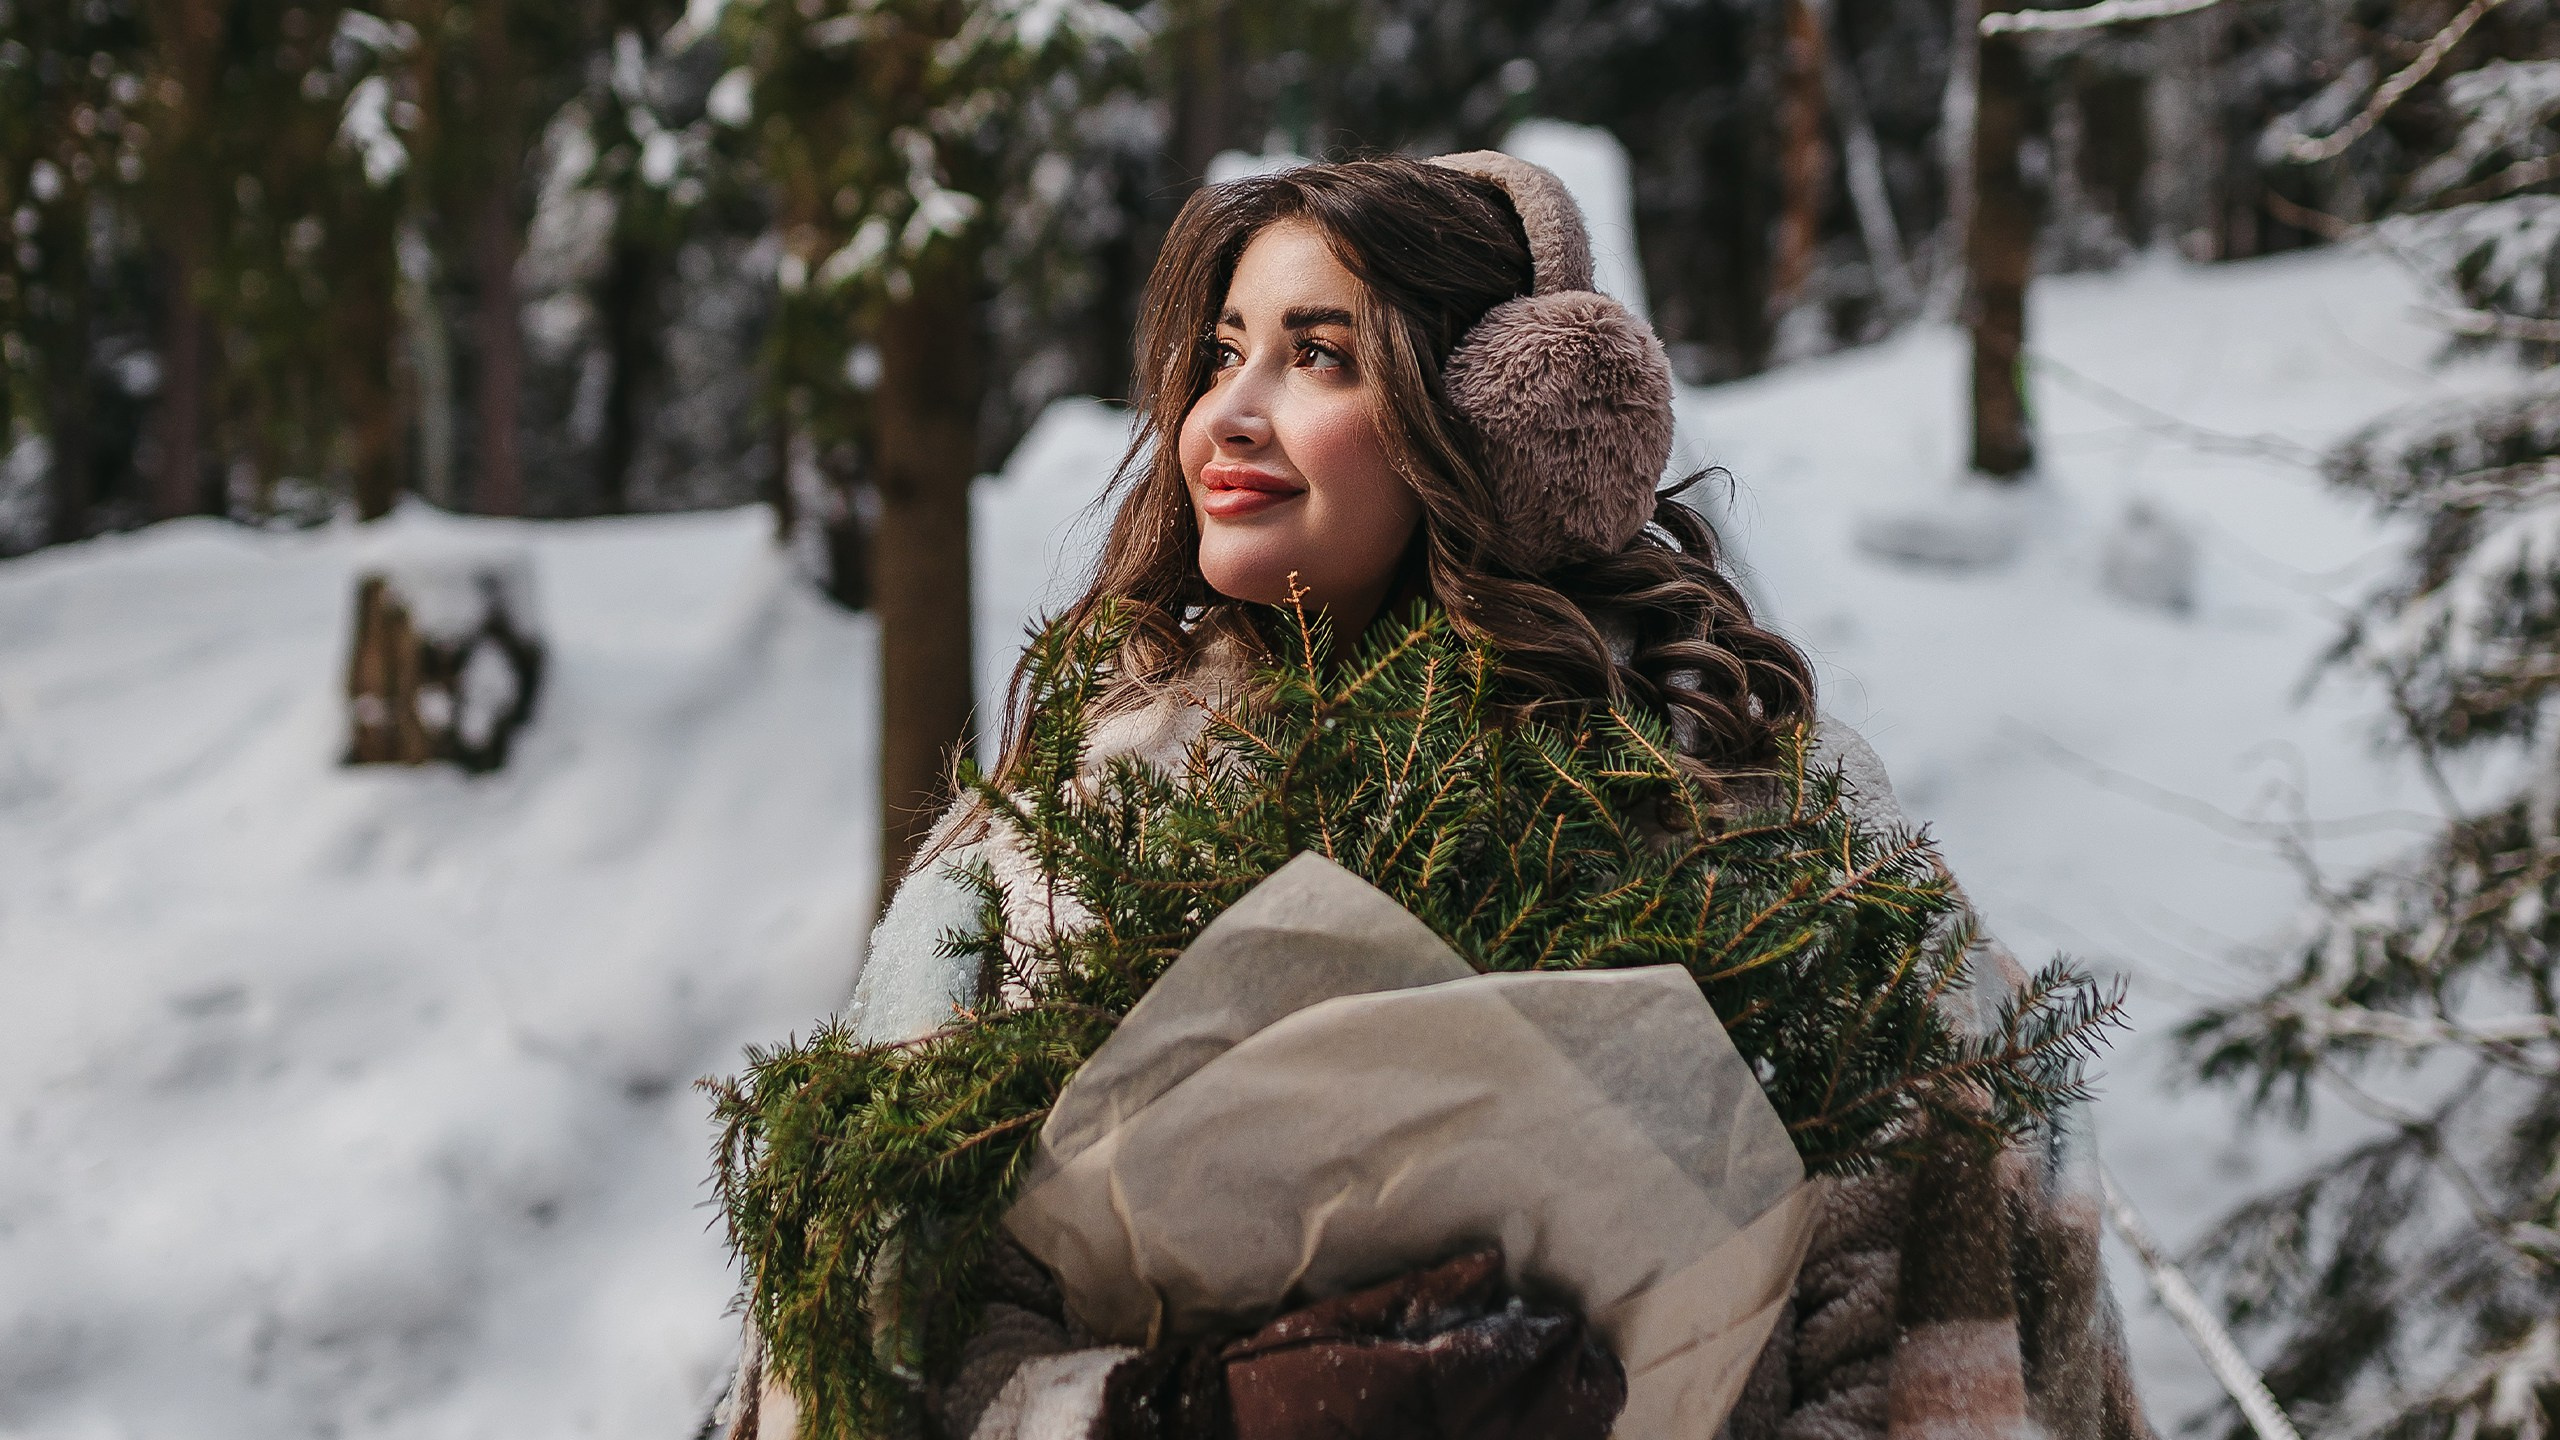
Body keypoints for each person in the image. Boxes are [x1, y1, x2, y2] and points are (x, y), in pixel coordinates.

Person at [707, 154, 2154, 1440]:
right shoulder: (1054, 841)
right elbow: (882, 1337)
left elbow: (1932, 1301)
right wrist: (1172, 1413)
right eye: (1223, 354)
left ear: (1506, 417)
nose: (1230, 414)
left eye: (1320, 356)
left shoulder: (1766, 825)